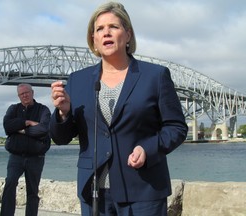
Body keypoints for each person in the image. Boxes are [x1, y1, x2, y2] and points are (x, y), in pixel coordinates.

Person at [49, 2, 188, 216]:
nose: (106, 32)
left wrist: (148, 149)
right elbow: (61, 138)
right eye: (99, 29)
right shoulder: (78, 81)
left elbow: (176, 127)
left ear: (128, 34)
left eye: (113, 26)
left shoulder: (156, 76)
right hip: (94, 193)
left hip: (143, 190)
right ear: (93, 40)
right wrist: (63, 113)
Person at [0, 83, 51, 216]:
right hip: (16, 157)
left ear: (32, 92)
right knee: (10, 184)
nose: (25, 95)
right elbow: (7, 127)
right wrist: (27, 123)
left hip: (36, 158)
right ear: (19, 96)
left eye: (27, 92)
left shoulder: (43, 110)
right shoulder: (13, 109)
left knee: (32, 192)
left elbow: (44, 129)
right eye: (22, 94)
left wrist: (20, 130)